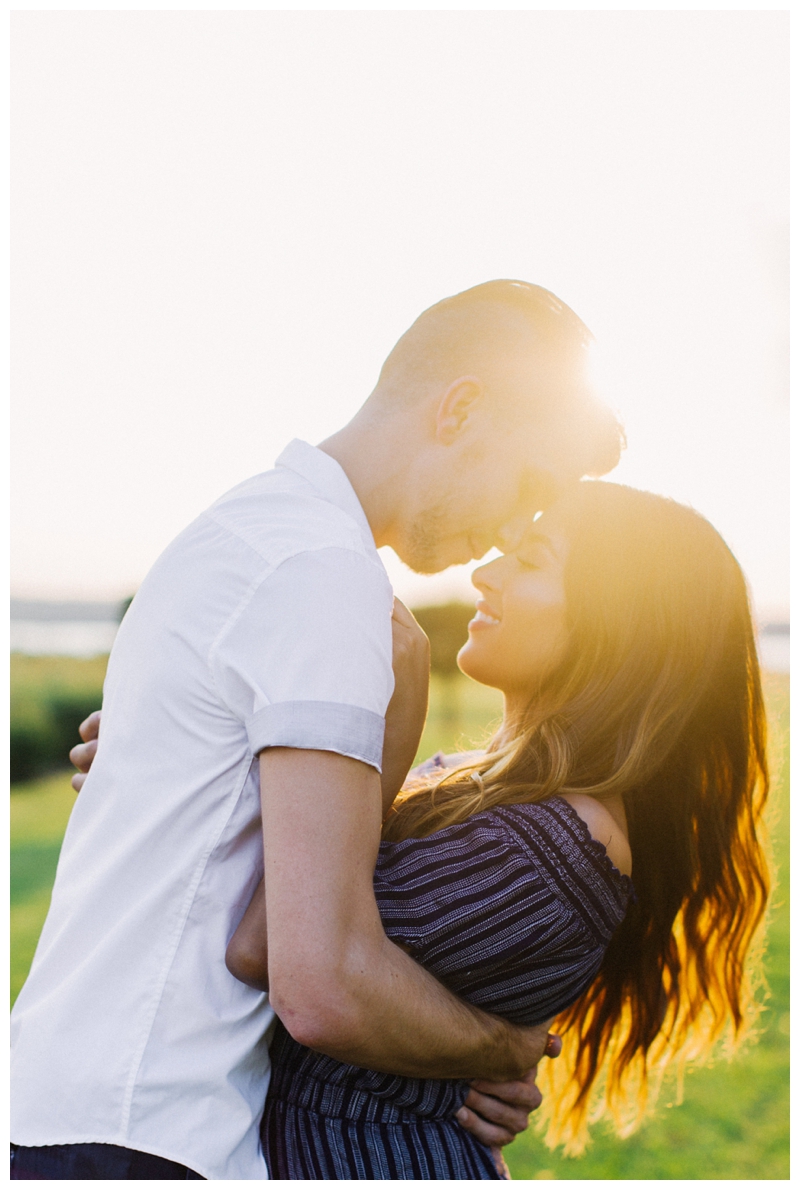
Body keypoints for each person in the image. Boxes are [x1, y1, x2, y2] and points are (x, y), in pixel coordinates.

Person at [10, 280, 624, 1180]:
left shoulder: (248, 528)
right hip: (147, 1129)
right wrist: (502, 1050)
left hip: (74, 1102)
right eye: (527, 484)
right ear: (460, 410)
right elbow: (322, 983)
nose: (508, 530)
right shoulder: (323, 574)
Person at [227, 481, 770, 1178]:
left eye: (532, 560)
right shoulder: (478, 789)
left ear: (619, 623)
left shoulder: (551, 856)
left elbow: (268, 949)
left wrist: (388, 735)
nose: (485, 574)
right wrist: (187, 769)